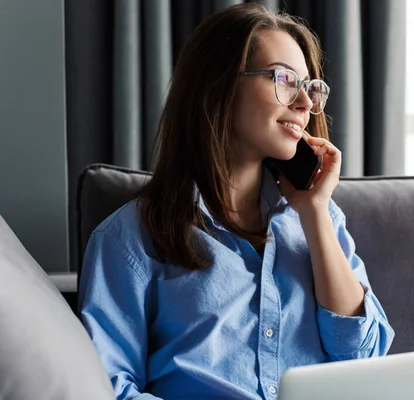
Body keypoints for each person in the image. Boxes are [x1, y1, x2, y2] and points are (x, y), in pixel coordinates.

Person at [78, 3, 395, 399]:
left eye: (311, 88)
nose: (305, 104)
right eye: (284, 79)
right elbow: (109, 387)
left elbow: (363, 361)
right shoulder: (129, 238)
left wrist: (315, 216)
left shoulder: (322, 217)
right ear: (220, 85)